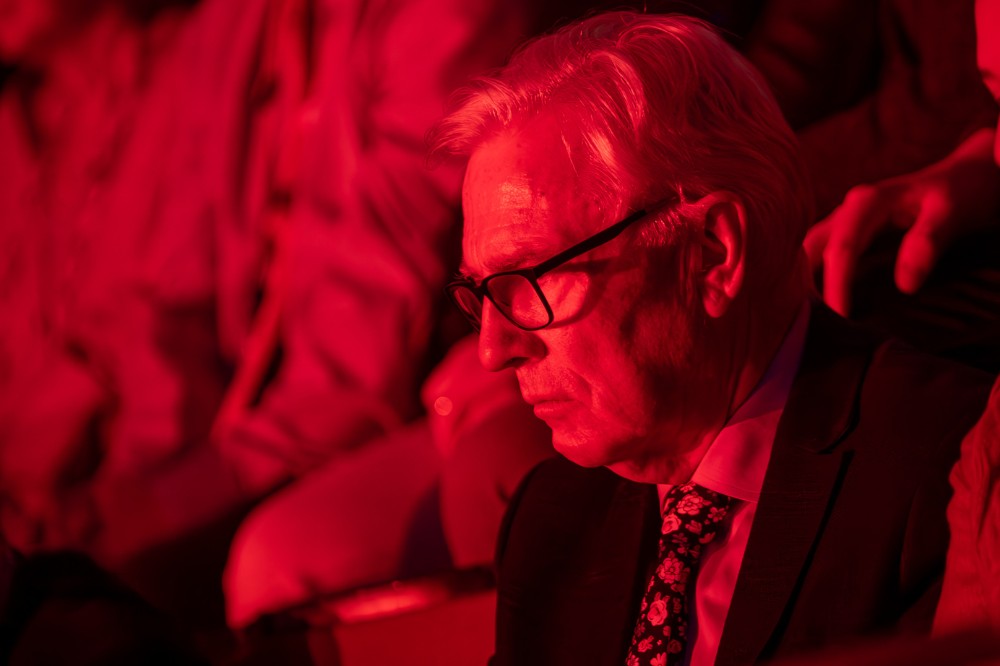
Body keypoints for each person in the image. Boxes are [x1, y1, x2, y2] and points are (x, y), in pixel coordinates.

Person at [429, 11, 993, 665]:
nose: (494, 350)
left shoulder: (939, 474)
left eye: (530, 279)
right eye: (481, 294)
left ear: (712, 253)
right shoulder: (552, 520)